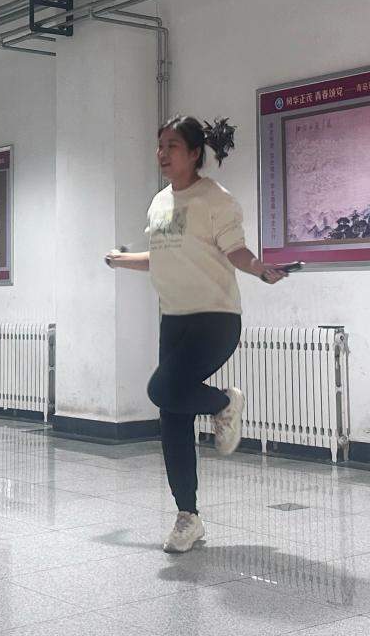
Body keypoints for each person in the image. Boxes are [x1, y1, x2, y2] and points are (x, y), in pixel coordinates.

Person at [105, 115, 288, 554]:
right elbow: (163, 256)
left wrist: (258, 268)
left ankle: (224, 402)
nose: (162, 153)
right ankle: (188, 515)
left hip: (215, 318)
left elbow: (236, 251)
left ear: (193, 153)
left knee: (161, 388)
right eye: (159, 145)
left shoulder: (215, 200)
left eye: (171, 145)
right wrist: (121, 260)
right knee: (172, 415)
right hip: (174, 319)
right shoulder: (159, 203)